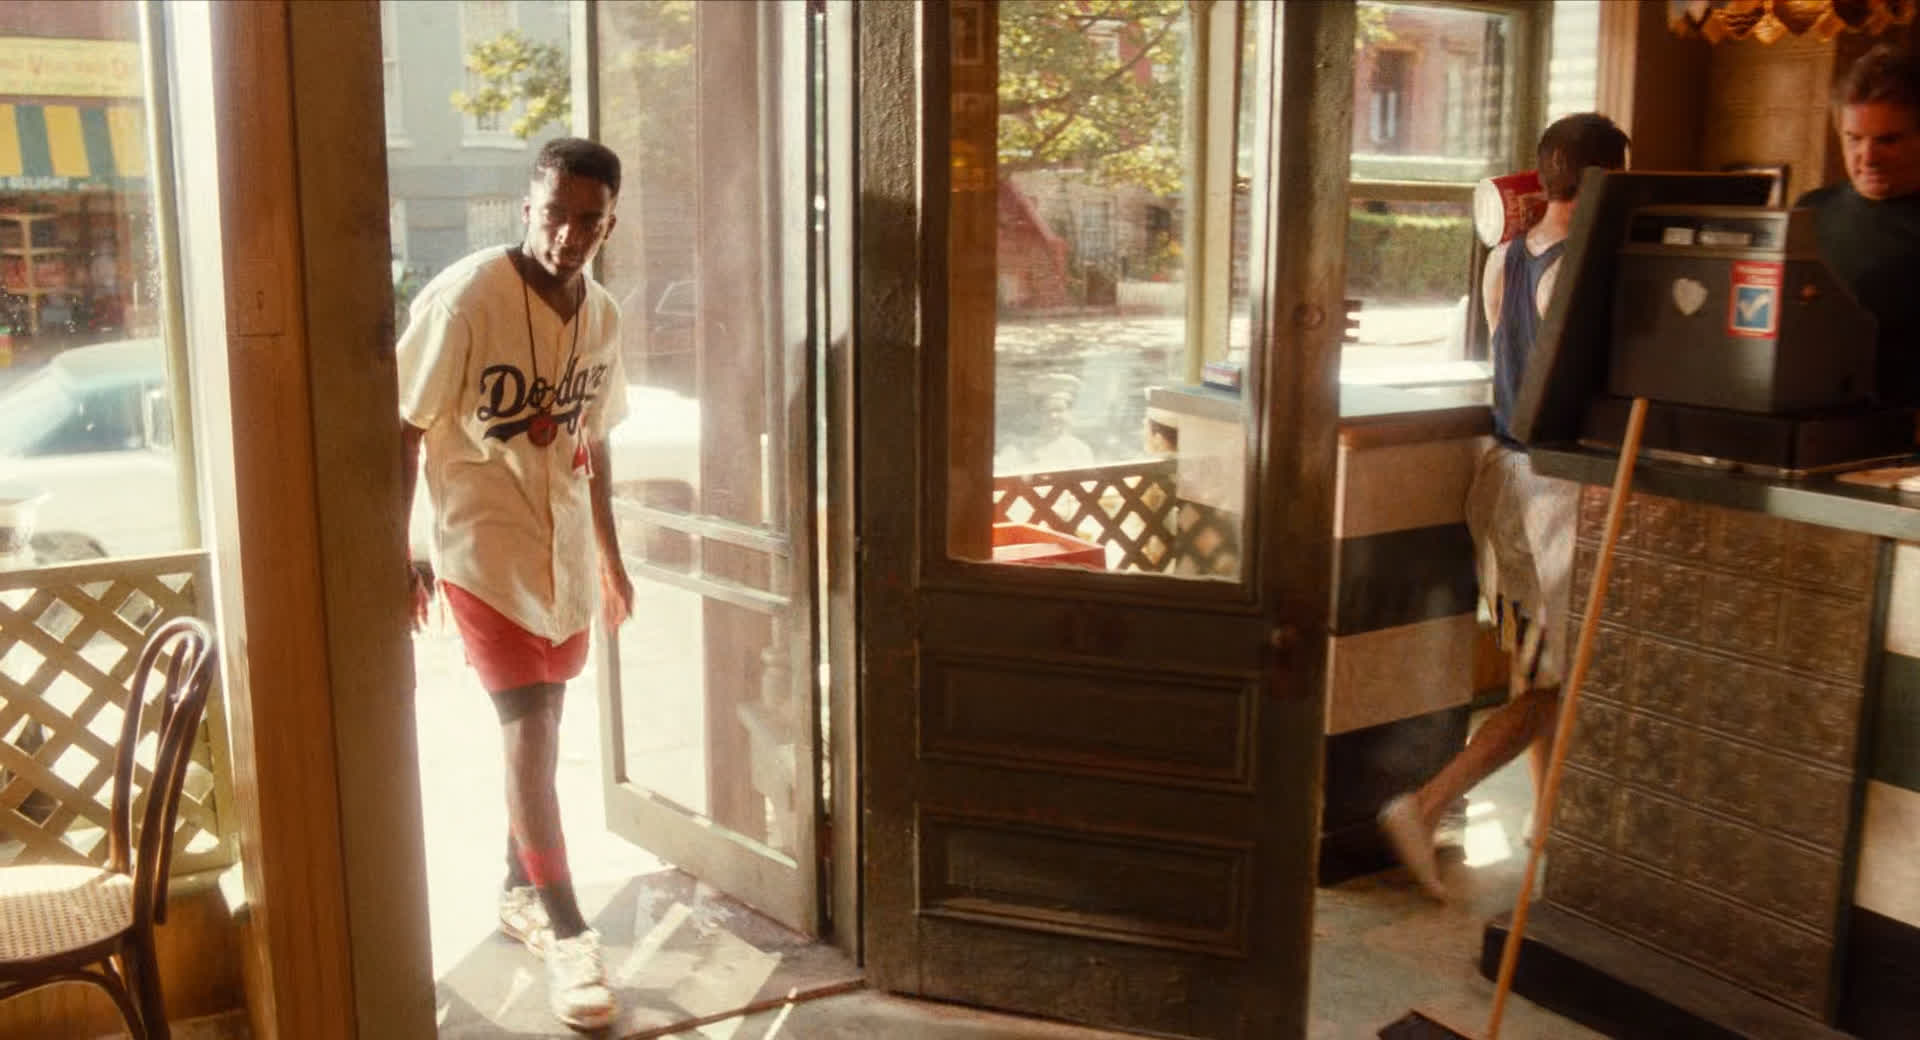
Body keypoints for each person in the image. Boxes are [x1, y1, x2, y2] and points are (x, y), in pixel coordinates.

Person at [397, 137, 633, 1029]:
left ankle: (516, 888)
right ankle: (570, 933)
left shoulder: (602, 314)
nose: (567, 234)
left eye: (588, 220)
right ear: (523, 208)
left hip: (562, 550)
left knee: (544, 725)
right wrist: (403, 548)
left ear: (610, 223)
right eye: (553, 214)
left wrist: (610, 558)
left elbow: (594, 436)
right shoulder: (465, 298)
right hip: (484, 552)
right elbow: (406, 425)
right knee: (531, 736)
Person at [1378, 113, 1630, 901]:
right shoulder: (1582, 275)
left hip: (1502, 478)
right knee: (1552, 683)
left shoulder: (1504, 261)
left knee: (1539, 671)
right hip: (1551, 493)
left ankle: (1546, 820)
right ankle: (1423, 806)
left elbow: (1506, 361)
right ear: (1602, 182)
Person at [1795, 44, 1920, 406]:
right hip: (1818, 426)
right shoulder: (1810, 212)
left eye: (1888, 140)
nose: (1868, 157)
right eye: (1854, 139)